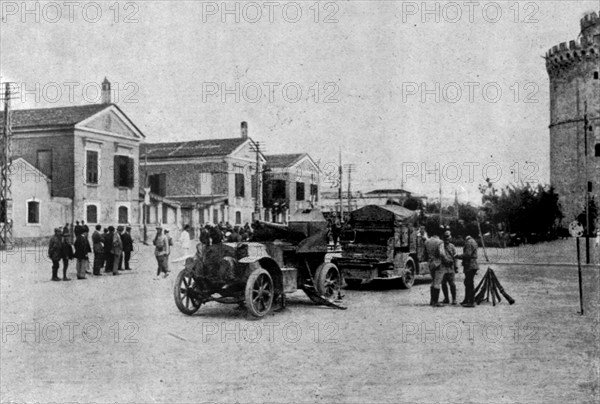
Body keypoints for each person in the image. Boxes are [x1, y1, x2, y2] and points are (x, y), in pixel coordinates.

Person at [423, 230, 443, 307]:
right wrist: (446, 260)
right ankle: (435, 301)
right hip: (438, 263)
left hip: (430, 262)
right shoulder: (440, 242)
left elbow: (424, 254)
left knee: (433, 281)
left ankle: (432, 300)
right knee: (437, 282)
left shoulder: (427, 242)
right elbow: (441, 253)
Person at [458, 234, 479, 307]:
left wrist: (458, 256)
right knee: (467, 282)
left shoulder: (468, 242)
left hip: (470, 265)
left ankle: (471, 301)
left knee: (469, 283)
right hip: (472, 265)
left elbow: (467, 254)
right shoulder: (473, 241)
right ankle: (467, 299)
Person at [439, 230, 458, 305]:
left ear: (450, 238)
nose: (447, 239)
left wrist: (456, 267)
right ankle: (446, 298)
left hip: (450, 267)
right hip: (443, 267)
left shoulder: (452, 246)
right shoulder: (441, 246)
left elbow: (455, 257)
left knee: (452, 284)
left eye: (448, 237)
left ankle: (454, 299)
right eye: (445, 237)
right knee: (443, 284)